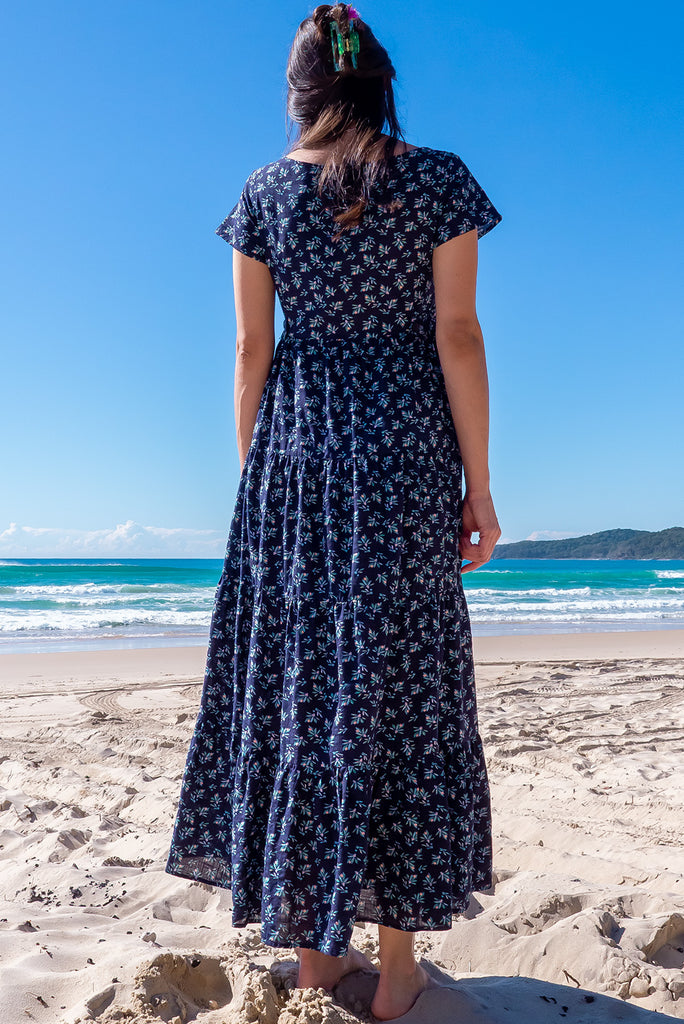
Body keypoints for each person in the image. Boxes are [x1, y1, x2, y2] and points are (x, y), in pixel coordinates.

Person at [165, 3, 503, 1019]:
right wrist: (478, 488)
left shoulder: (265, 192)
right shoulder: (437, 178)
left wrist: (259, 480)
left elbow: (248, 355)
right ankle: (396, 973)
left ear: (303, 90)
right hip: (405, 459)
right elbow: (458, 334)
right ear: (379, 80)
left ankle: (316, 959)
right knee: (405, 688)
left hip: (297, 462)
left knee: (305, 692)